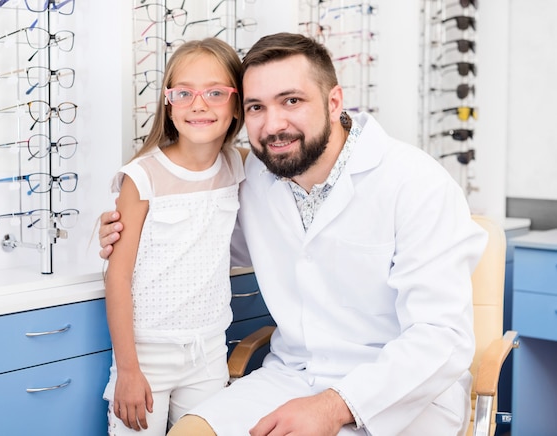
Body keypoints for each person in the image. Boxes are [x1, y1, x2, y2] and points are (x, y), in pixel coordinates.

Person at [100, 33, 487, 436]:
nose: (273, 125)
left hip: (396, 395)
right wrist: (134, 230)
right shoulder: (257, 174)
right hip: (290, 378)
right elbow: (206, 242)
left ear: (334, 102)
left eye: (292, 101)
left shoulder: (416, 182)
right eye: (256, 107)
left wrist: (335, 406)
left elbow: (442, 339)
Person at [101, 37, 245, 436]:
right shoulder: (142, 177)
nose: (199, 105)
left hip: (209, 350)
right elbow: (117, 277)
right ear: (168, 102)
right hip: (146, 354)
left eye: (216, 92)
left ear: (237, 105)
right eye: (184, 93)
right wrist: (128, 369)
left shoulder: (237, 165)